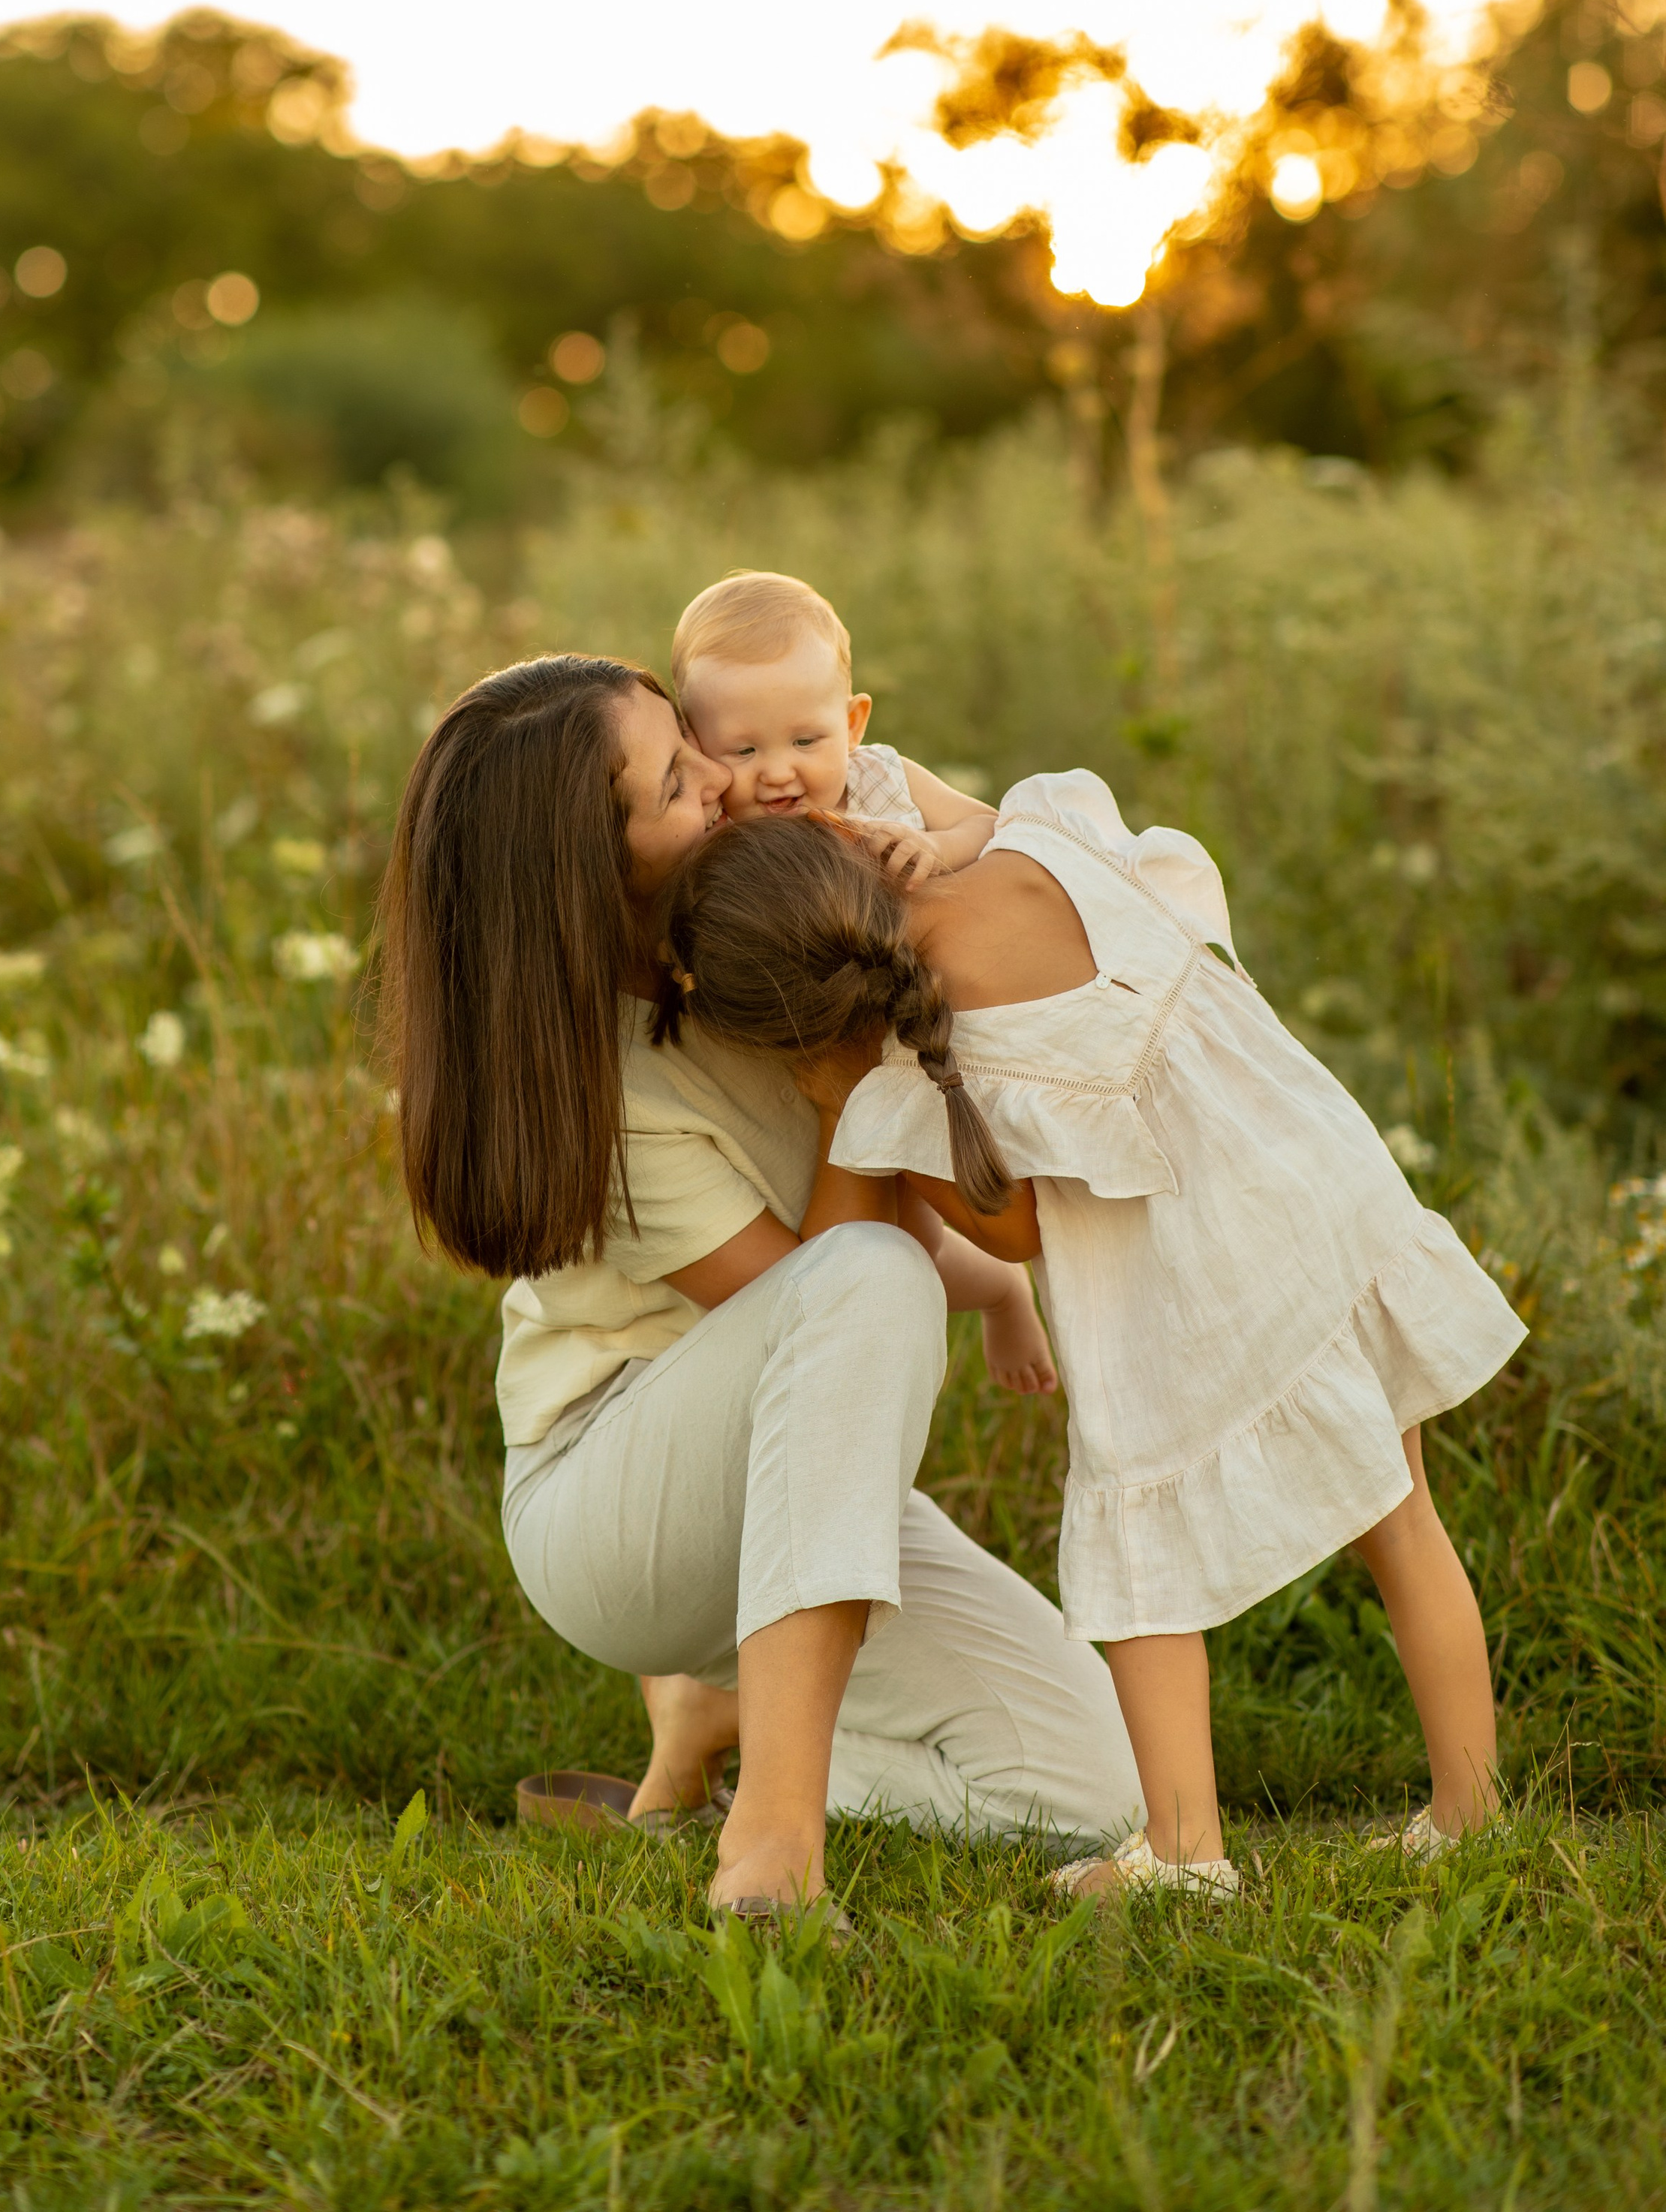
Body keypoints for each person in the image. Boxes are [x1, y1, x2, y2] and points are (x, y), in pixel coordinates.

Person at [652, 772, 1529, 1898]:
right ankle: (1473, 1814)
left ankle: (1183, 1858)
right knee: (1402, 1517)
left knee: (1143, 1575)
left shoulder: (925, 1063)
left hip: (1183, 1287)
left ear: (800, 1023)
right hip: (1321, 1195)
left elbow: (1014, 1226)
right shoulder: (1041, 836)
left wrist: (838, 1103)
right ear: (850, 842)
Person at [380, 656, 1143, 1925]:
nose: (735, 784)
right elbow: (827, 1302)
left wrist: (913, 863)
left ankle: (729, 1719)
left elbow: (993, 825)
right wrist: (854, 1086)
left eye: (700, 746)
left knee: (1083, 1794)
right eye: (682, 782)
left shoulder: (757, 926)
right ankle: (771, 1848)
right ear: (591, 874)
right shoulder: (614, 1097)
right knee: (869, 1273)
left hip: (797, 1478)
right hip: (621, 1509)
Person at [672, 570, 996, 883]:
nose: (779, 774)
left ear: (852, 724)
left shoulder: (880, 776)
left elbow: (989, 823)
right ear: (697, 744)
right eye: (745, 750)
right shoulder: (714, 831)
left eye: (805, 742)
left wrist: (938, 846)